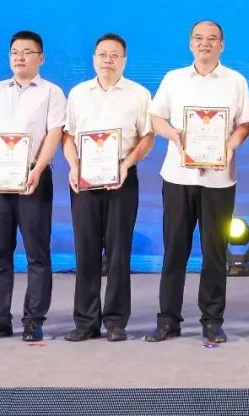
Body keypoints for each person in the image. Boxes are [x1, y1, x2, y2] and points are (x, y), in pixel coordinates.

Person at [145, 20, 249, 344]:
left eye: (212, 38)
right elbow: (155, 118)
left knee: (215, 251)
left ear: (222, 45)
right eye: (198, 38)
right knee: (174, 250)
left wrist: (230, 146)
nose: (205, 43)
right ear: (190, 43)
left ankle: (212, 320)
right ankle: (168, 320)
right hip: (178, 176)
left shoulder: (235, 81)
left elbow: (245, 123)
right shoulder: (173, 78)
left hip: (219, 179)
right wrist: (174, 134)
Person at [0, 31, 66, 343]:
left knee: (37, 253)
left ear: (41, 58)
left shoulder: (52, 92)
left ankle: (33, 320)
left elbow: (54, 134)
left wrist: (37, 169)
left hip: (32, 179)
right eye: (14, 52)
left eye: (27, 52)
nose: (19, 57)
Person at [62, 33, 155, 342]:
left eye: (115, 55)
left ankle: (116, 321)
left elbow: (147, 137)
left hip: (122, 176)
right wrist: (74, 166)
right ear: (94, 59)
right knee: (85, 249)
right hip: (85, 177)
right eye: (102, 54)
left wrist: (126, 164)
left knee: (118, 251)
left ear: (124, 61)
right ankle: (85, 321)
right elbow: (67, 135)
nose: (108, 60)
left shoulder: (139, 94)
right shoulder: (78, 93)